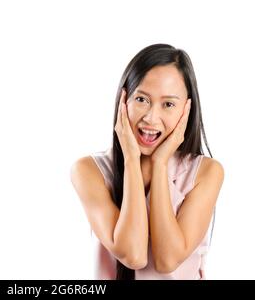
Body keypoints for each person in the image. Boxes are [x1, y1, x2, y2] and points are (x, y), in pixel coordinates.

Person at [70, 44, 224, 280]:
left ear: (187, 110)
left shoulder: (205, 172)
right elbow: (133, 255)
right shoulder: (89, 171)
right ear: (124, 100)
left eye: (168, 104)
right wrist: (131, 159)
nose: (151, 118)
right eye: (141, 99)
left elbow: (167, 260)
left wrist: (160, 163)